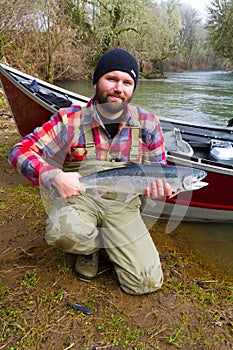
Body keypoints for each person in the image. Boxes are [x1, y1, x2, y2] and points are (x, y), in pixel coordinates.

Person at [9, 48, 172, 295]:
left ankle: (112, 242)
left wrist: (159, 191)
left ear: (133, 89)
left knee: (145, 283)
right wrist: (54, 176)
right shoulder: (70, 119)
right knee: (63, 232)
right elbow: (20, 151)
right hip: (80, 199)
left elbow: (160, 171)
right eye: (112, 79)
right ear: (96, 81)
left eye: (128, 82)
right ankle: (88, 250)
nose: (119, 88)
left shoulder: (148, 122)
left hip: (123, 206)